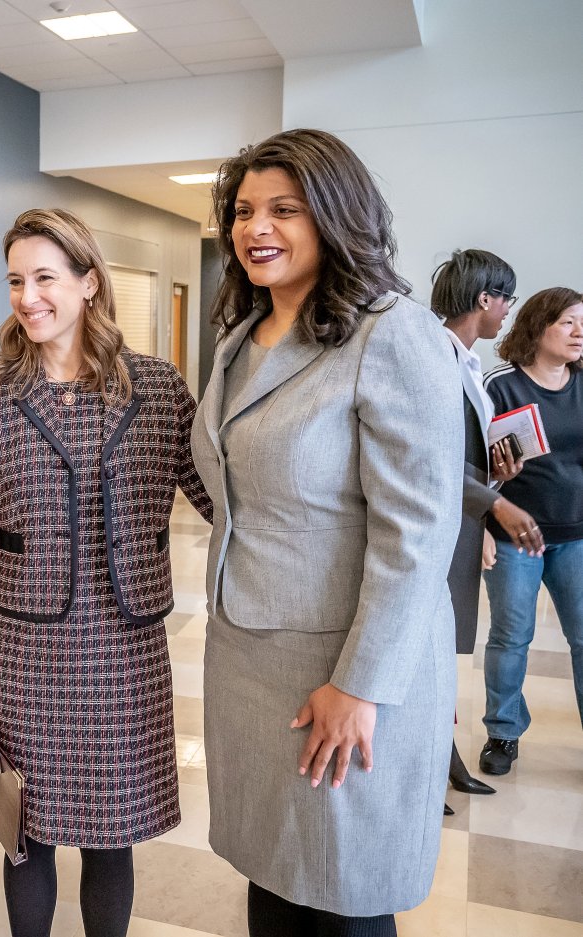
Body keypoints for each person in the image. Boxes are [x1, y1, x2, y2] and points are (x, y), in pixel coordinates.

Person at [191, 129, 463, 936]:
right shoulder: (240, 337)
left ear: (336, 215)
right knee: (273, 876)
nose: (254, 228)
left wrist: (362, 685)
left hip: (341, 670)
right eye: (242, 211)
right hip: (249, 661)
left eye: (284, 208)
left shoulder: (392, 333)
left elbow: (416, 533)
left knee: (340, 891)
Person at [0, 208, 212, 937]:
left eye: (45, 278)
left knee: (110, 832)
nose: (27, 296)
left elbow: (222, 498)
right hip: (22, 655)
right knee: (24, 833)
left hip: (124, 652)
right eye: (15, 281)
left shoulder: (157, 389)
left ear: (89, 283)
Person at [431, 248, 533, 805]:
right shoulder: (437, 358)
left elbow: (464, 455)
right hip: (436, 529)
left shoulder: (469, 363)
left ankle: (443, 758)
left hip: (462, 523)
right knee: (431, 651)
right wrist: (492, 509)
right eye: (506, 299)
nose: (508, 313)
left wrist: (497, 478)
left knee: (443, 653)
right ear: (484, 299)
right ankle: (432, 761)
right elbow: (431, 458)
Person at [478, 287, 583, 775]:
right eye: (567, 322)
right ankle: (503, 733)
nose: (579, 332)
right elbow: (477, 472)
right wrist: (497, 490)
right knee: (510, 637)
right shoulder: (500, 386)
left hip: (577, 534)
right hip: (514, 536)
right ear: (538, 328)